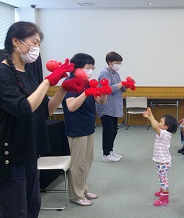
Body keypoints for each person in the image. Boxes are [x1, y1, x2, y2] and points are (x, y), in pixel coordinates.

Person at [0, 21, 75, 217]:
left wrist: (63, 88)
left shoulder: (29, 73)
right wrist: (48, 81)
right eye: (34, 42)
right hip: (12, 153)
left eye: (39, 44)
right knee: (16, 209)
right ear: (16, 41)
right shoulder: (3, 72)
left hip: (29, 150)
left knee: (33, 204)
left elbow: (46, 110)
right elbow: (24, 108)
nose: (37, 48)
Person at [62, 53, 109, 206]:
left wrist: (104, 92)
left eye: (91, 67)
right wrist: (85, 93)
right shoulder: (71, 83)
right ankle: (76, 195)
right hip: (77, 128)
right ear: (77, 68)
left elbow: (100, 101)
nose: (90, 70)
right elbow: (71, 106)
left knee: (88, 161)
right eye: (87, 67)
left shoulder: (87, 82)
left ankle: (83, 188)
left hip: (89, 126)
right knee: (78, 163)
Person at [143, 107, 178, 206]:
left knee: (163, 180)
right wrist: (150, 118)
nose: (158, 123)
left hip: (163, 161)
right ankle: (162, 190)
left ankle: (164, 198)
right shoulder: (163, 132)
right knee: (161, 177)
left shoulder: (165, 134)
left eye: (161, 122)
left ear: (166, 126)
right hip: (160, 160)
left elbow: (154, 126)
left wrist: (151, 115)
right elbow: (155, 125)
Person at [96, 51, 126, 162]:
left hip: (115, 106)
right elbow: (107, 89)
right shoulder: (105, 73)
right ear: (109, 62)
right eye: (116, 62)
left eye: (120, 63)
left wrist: (125, 85)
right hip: (107, 106)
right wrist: (120, 84)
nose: (118, 65)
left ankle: (111, 151)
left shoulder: (116, 74)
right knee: (108, 131)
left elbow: (119, 88)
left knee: (114, 130)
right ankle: (106, 154)